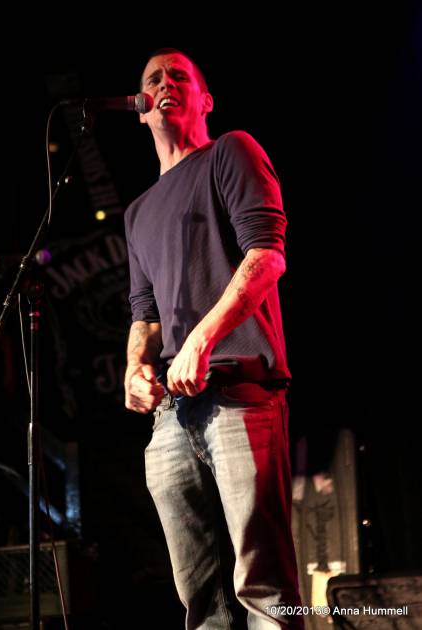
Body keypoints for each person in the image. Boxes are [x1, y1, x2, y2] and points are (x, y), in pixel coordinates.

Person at [124, 48, 304, 629]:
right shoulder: (137, 212)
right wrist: (134, 369)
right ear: (141, 109)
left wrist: (202, 339)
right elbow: (145, 313)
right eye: (154, 79)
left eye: (180, 76)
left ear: (205, 100)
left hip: (239, 394)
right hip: (172, 416)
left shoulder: (230, 151)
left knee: (265, 587)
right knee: (199, 600)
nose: (166, 83)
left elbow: (267, 255)